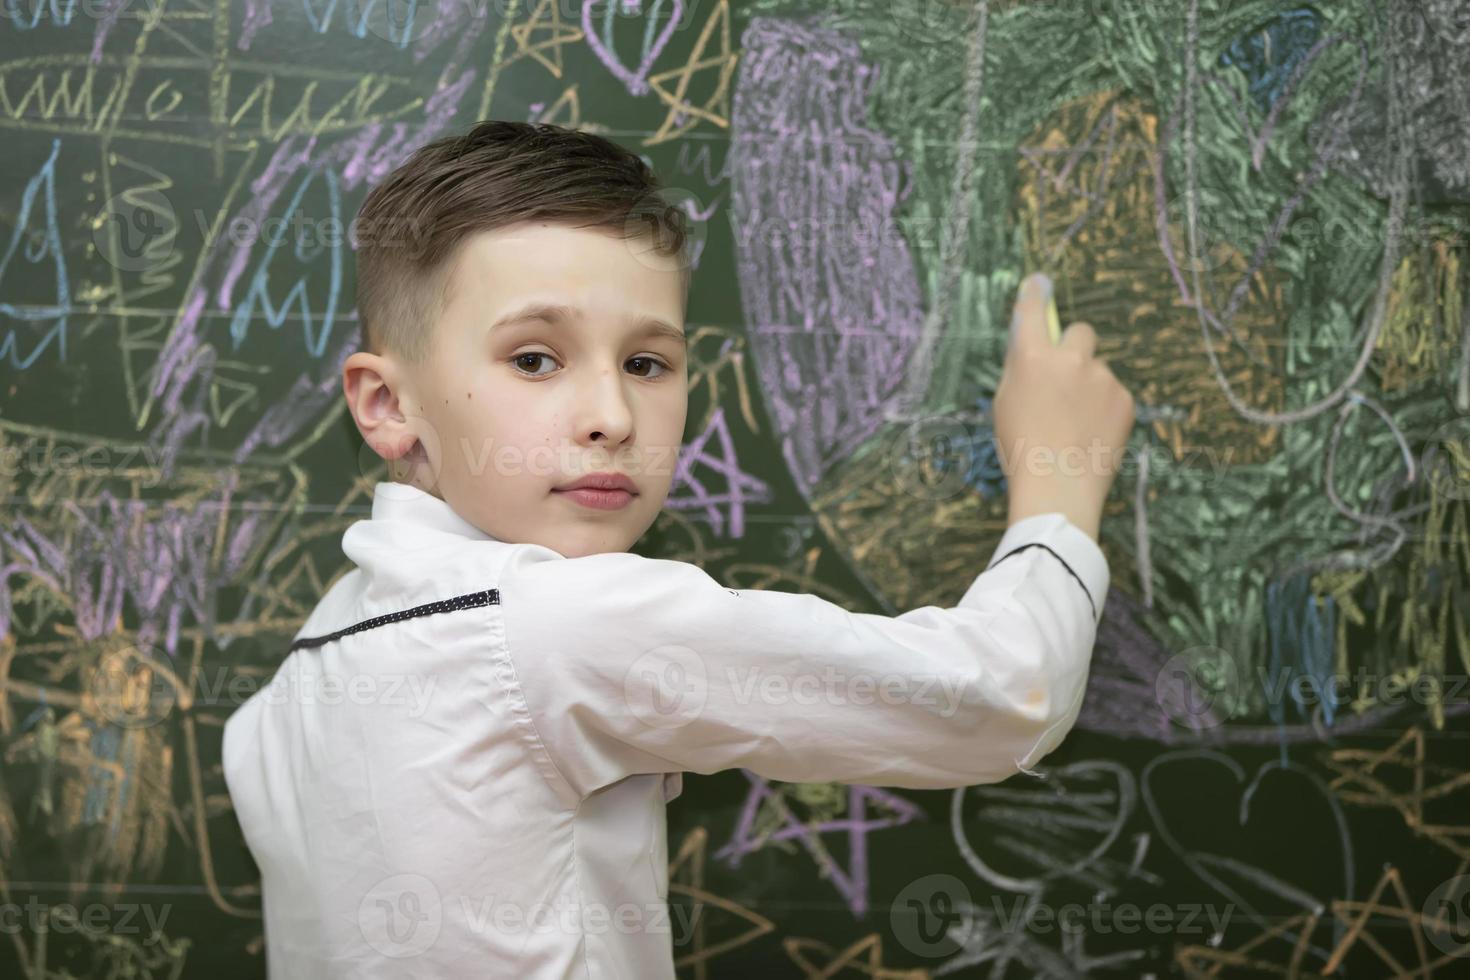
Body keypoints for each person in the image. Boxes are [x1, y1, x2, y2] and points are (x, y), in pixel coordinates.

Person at [221, 120, 1136, 979]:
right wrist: (1059, 484)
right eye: (535, 359)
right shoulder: (558, 622)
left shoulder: (293, 691)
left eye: (647, 364)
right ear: (385, 405)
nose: (613, 418)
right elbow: (1004, 696)